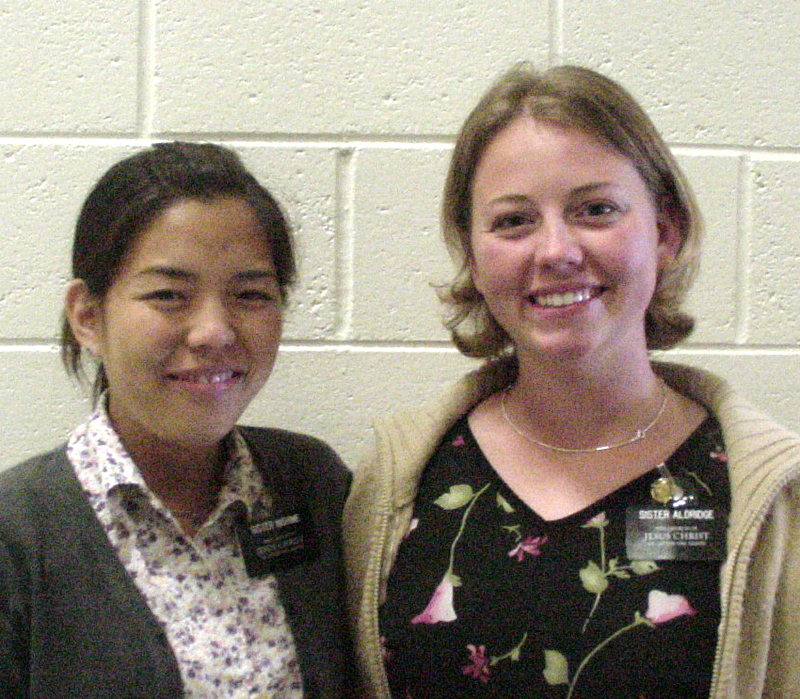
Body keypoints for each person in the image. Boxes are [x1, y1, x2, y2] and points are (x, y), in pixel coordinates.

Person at [344, 64, 800, 699]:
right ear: (473, 256)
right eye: (514, 221)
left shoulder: (766, 494)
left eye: (596, 210)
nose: (556, 251)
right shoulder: (401, 477)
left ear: (665, 233)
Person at [0, 142, 354, 698]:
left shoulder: (311, 484)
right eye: (169, 295)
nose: (215, 331)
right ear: (88, 317)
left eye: (251, 294)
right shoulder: (17, 532)